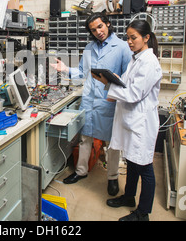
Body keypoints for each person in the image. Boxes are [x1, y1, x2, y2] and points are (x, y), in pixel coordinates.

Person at [51, 12, 132, 196]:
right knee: (85, 137)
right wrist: (65, 69)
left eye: (100, 27)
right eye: (94, 30)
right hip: (89, 100)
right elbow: (82, 72)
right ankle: (81, 171)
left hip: (109, 102)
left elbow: (128, 77)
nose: (98, 32)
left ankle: (112, 177)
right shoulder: (89, 47)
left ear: (108, 24)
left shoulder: (121, 47)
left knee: (112, 143)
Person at [92, 19, 162, 221]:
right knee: (132, 161)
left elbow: (134, 93)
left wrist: (108, 83)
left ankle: (143, 213)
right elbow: (126, 83)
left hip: (142, 123)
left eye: (134, 38)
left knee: (145, 167)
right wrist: (114, 78)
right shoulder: (136, 58)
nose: (129, 42)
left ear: (146, 37)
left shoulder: (149, 62)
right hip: (131, 119)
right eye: (128, 38)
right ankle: (129, 197)